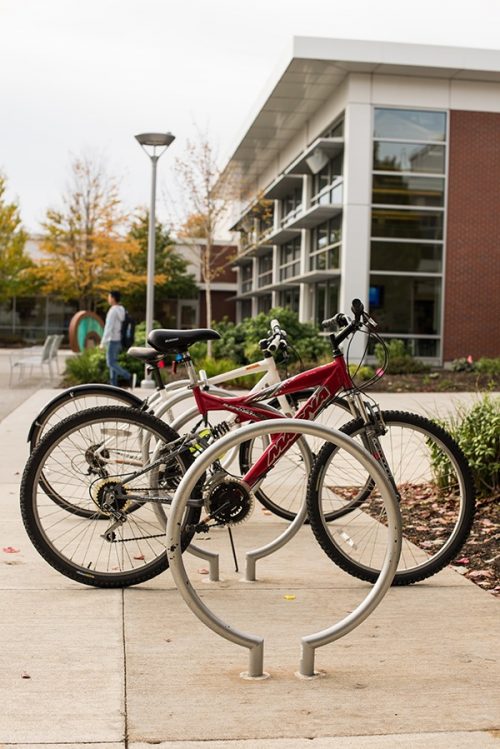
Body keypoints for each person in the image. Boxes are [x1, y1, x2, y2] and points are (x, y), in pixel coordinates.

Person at [100, 290, 132, 388]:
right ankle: (114, 385)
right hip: (119, 339)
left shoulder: (113, 311)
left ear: (113, 298)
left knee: (110, 363)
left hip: (112, 339)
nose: (108, 299)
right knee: (113, 362)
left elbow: (108, 327)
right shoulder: (122, 309)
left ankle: (128, 376)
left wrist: (103, 342)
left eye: (109, 297)